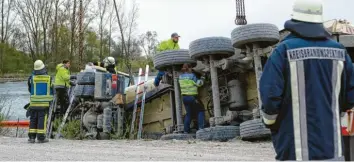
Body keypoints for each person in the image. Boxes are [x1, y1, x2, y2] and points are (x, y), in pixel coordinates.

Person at [259, 0, 354, 160]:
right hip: (332, 150)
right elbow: (350, 95)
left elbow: (270, 96)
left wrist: (270, 123)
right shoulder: (340, 52)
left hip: (294, 151)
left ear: (294, 18)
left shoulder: (283, 51)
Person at [27, 60, 54, 143]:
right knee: (41, 119)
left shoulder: (31, 78)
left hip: (33, 102)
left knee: (33, 118)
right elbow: (52, 90)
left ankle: (31, 137)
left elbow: (29, 89)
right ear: (43, 68)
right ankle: (41, 137)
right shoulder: (49, 78)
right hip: (44, 103)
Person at [178, 63, 205, 133]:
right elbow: (199, 84)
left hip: (185, 98)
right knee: (200, 110)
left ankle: (186, 131)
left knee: (189, 114)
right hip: (192, 97)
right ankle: (201, 129)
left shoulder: (180, 77)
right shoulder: (192, 76)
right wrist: (203, 77)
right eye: (191, 68)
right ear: (189, 68)